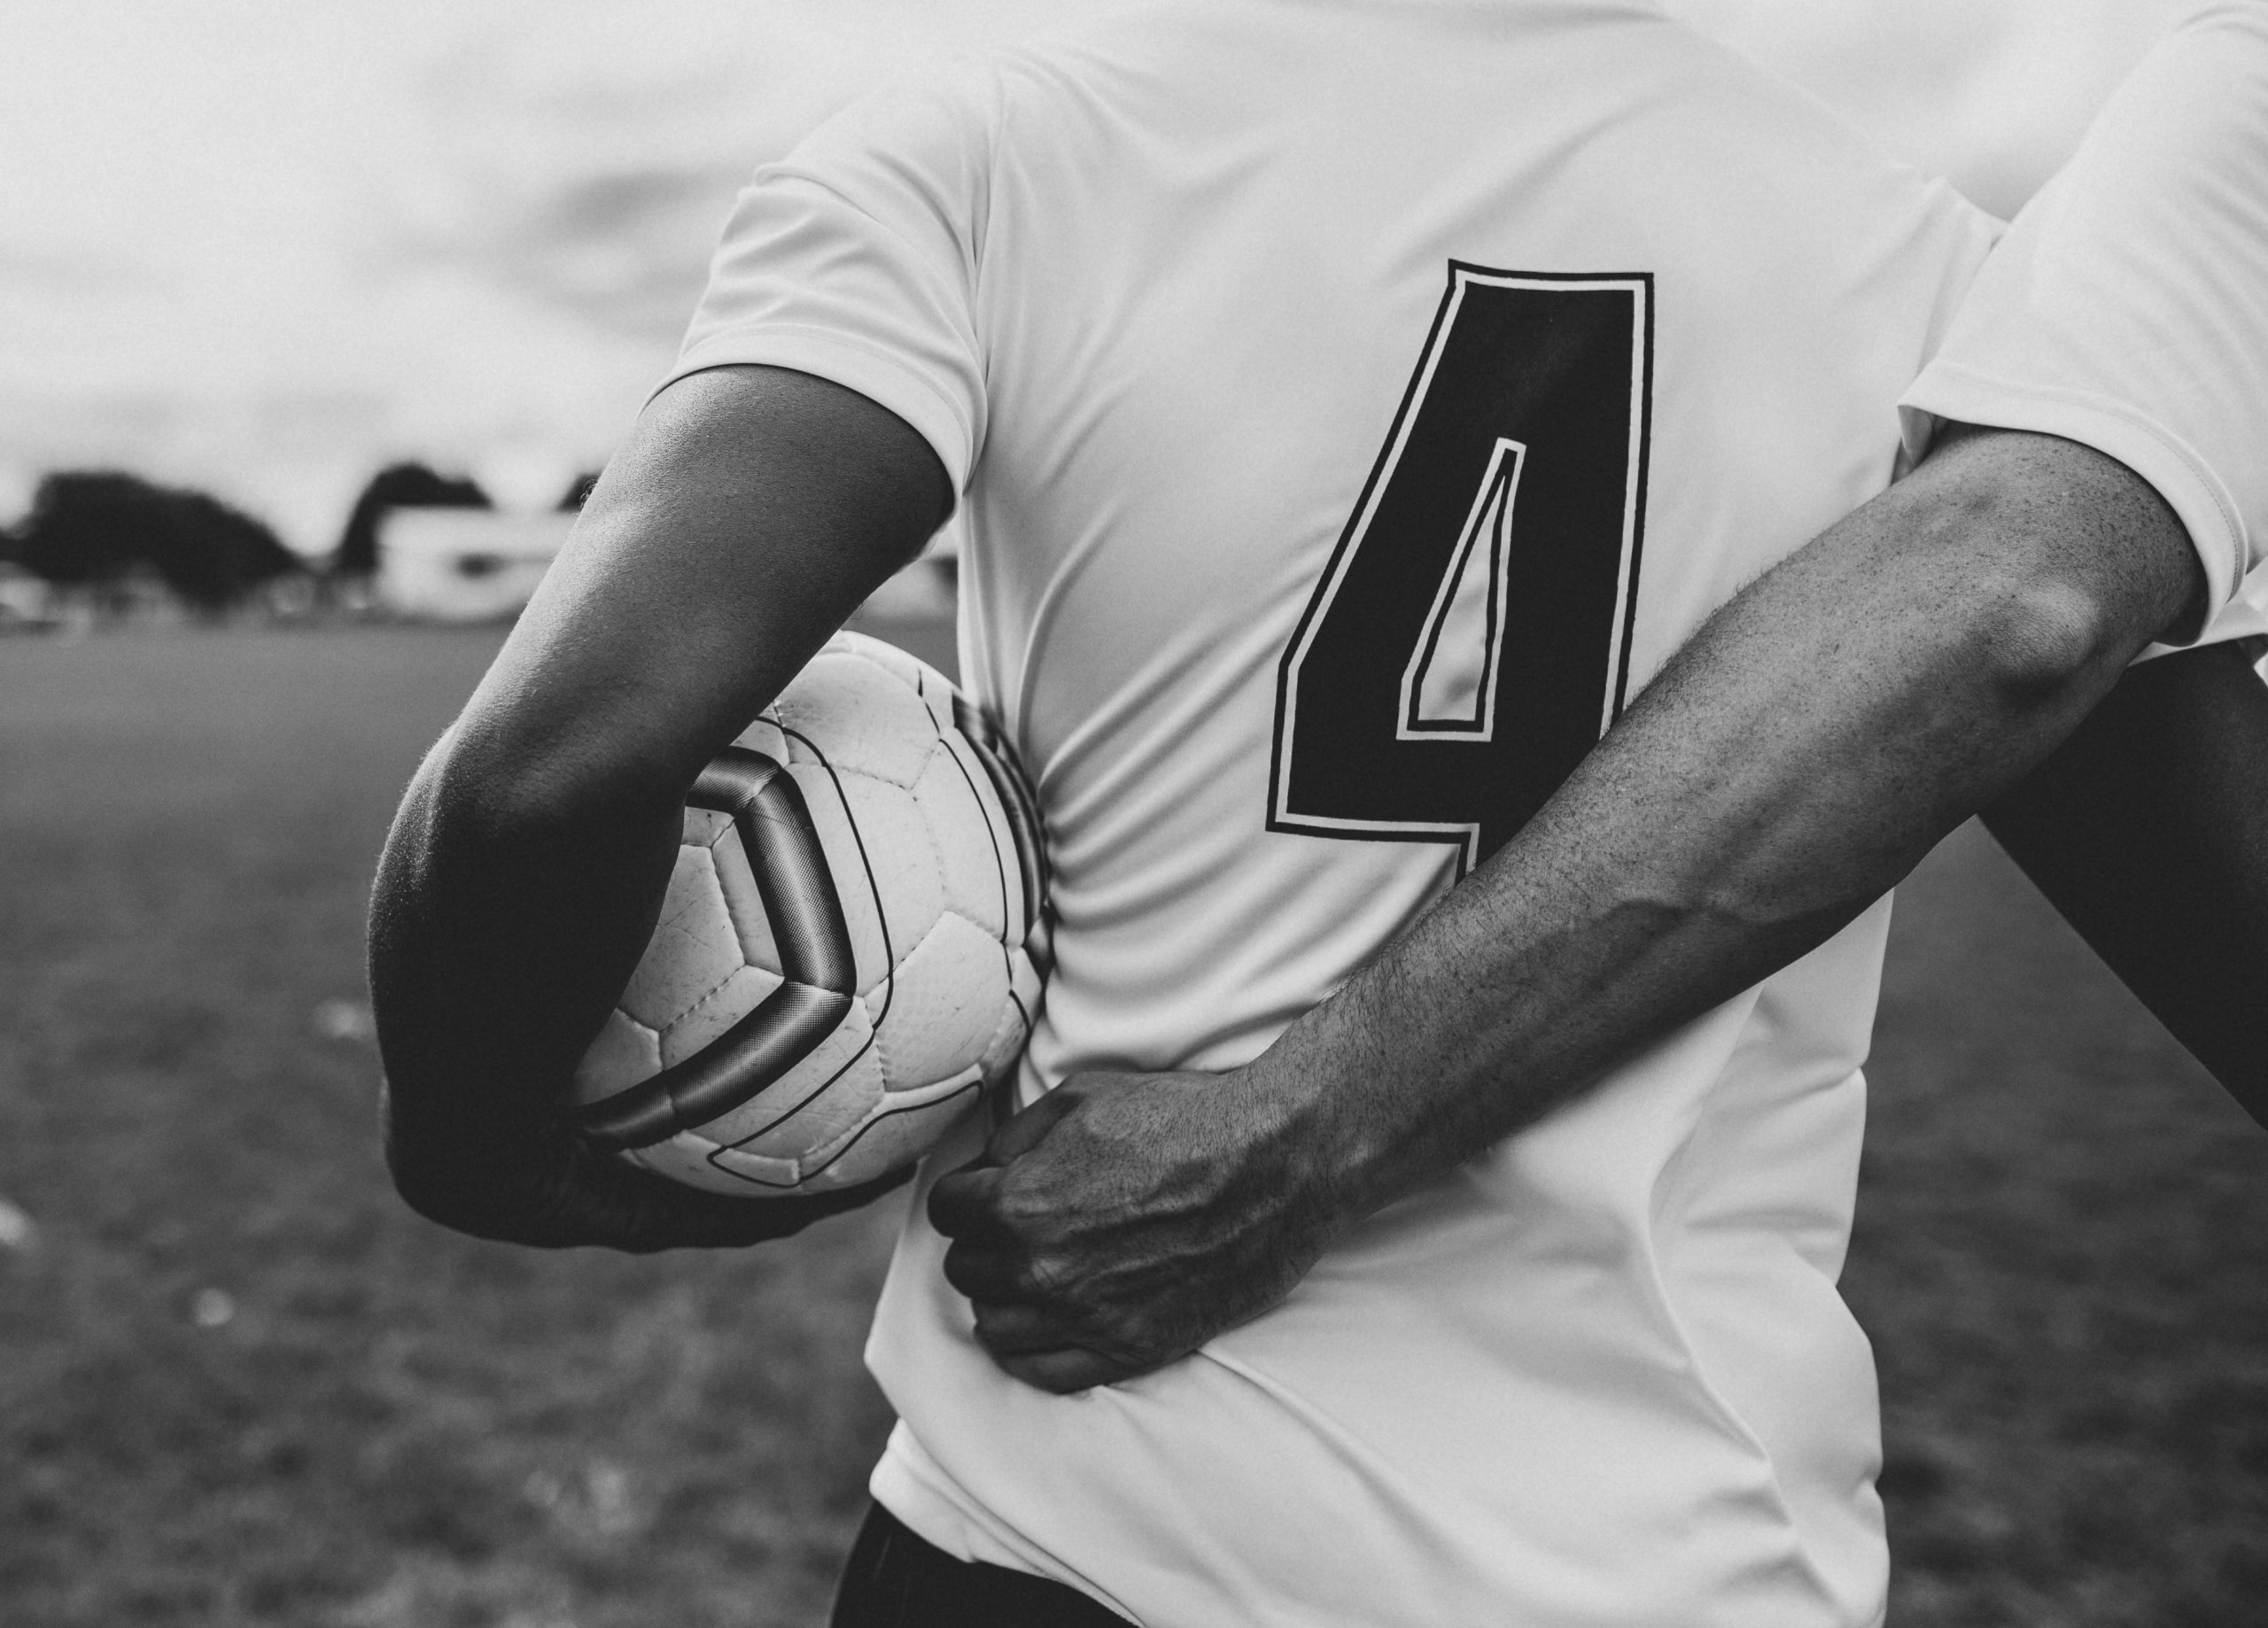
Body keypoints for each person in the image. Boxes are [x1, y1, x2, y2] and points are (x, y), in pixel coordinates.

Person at [369, 2, 2267, 1623]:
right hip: (1660, 1552)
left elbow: (555, 774)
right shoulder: (1949, 284)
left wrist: (475, 1138)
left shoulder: (993, 152)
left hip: (1063, 1519)